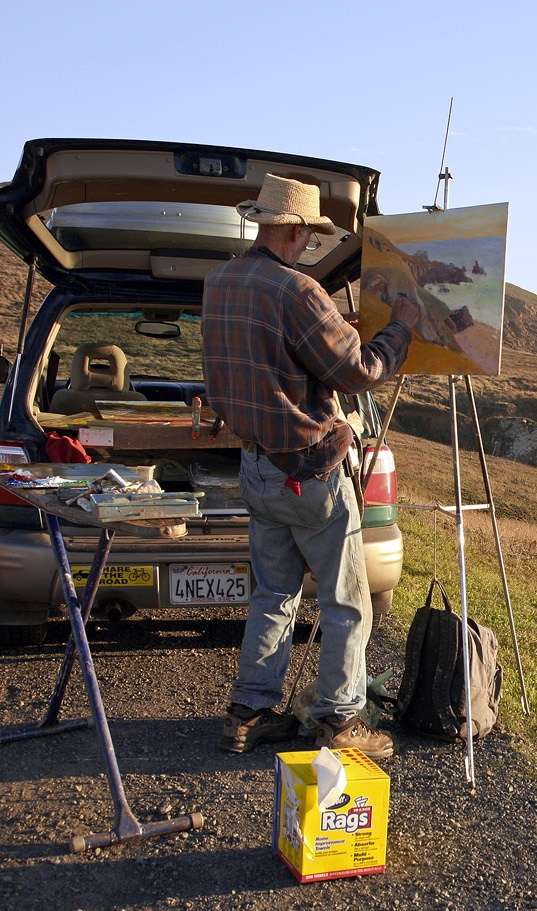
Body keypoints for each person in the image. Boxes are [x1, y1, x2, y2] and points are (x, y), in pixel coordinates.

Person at [201, 173, 419, 758]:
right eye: (310, 236)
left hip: (256, 468)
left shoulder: (220, 282)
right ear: (294, 229)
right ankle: (340, 722)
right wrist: (399, 323)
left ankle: (248, 714)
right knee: (346, 600)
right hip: (311, 475)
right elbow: (362, 372)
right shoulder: (297, 291)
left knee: (272, 593)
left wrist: (332, 338)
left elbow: (267, 362)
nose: (311, 246)